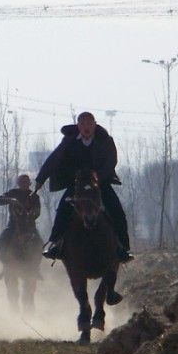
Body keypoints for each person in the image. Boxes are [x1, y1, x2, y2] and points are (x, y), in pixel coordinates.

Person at [33, 111, 134, 262]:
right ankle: (55, 244)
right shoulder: (69, 141)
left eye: (89, 124)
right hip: (77, 184)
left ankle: (122, 248)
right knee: (63, 209)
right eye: (83, 124)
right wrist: (41, 179)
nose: (86, 127)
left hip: (100, 183)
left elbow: (111, 162)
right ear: (78, 126)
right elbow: (54, 159)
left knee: (116, 211)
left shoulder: (105, 140)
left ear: (94, 124)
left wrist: (98, 177)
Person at [0, 174, 42, 261]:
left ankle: (35, 266)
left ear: (29, 184)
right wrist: (10, 200)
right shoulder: (12, 193)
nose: (24, 184)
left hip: (29, 226)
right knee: (0, 242)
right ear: (18, 183)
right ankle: (6, 263)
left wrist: (31, 214)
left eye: (26, 182)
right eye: (22, 182)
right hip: (13, 225)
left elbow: (37, 212)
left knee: (39, 243)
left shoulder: (35, 196)